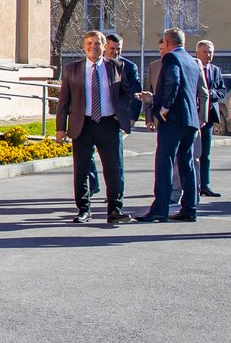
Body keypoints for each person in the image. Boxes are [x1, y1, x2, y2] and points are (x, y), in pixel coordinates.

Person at [56, 30, 128, 227]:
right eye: (89, 43)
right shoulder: (72, 69)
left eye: (97, 43)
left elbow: (126, 94)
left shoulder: (117, 67)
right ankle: (84, 209)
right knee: (81, 170)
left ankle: (115, 209)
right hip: (83, 124)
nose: (93, 47)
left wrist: (124, 117)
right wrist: (60, 128)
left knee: (114, 169)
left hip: (108, 124)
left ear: (104, 47)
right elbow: (64, 102)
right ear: (83, 46)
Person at [137, 28, 205, 222]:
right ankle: (190, 208)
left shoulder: (170, 59)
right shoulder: (192, 61)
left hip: (173, 119)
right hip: (191, 120)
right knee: (187, 163)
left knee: (164, 160)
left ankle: (160, 208)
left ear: (166, 42)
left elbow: (173, 83)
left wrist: (164, 107)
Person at [86, 34, 144, 198]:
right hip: (91, 118)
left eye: (118, 49)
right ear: (105, 48)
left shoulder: (128, 67)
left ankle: (116, 194)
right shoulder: (92, 65)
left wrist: (132, 117)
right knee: (86, 155)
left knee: (114, 161)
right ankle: (92, 185)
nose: (116, 52)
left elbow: (135, 93)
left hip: (113, 120)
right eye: (112, 48)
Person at [196, 39, 230, 197]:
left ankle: (205, 185)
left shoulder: (215, 70)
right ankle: (190, 186)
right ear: (197, 53)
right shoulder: (193, 67)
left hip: (209, 116)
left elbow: (223, 90)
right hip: (194, 115)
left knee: (205, 154)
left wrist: (211, 94)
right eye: (204, 52)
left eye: (210, 52)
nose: (207, 55)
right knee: (190, 153)